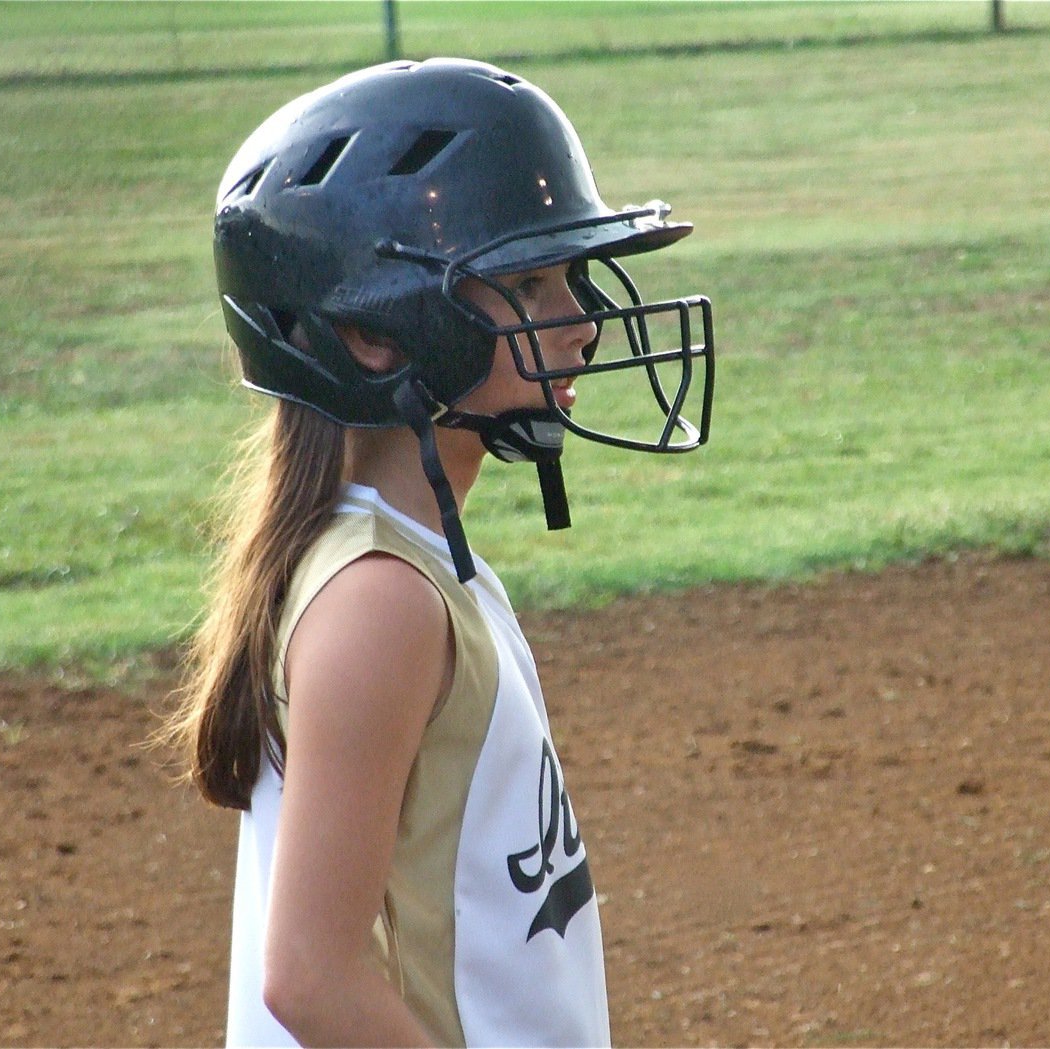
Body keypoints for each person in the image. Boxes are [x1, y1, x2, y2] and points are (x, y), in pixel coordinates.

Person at [166, 57, 714, 1047]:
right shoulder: (380, 601)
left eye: (570, 278)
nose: (583, 323)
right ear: (379, 335)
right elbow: (311, 977)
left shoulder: (404, 562)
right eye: (529, 283)